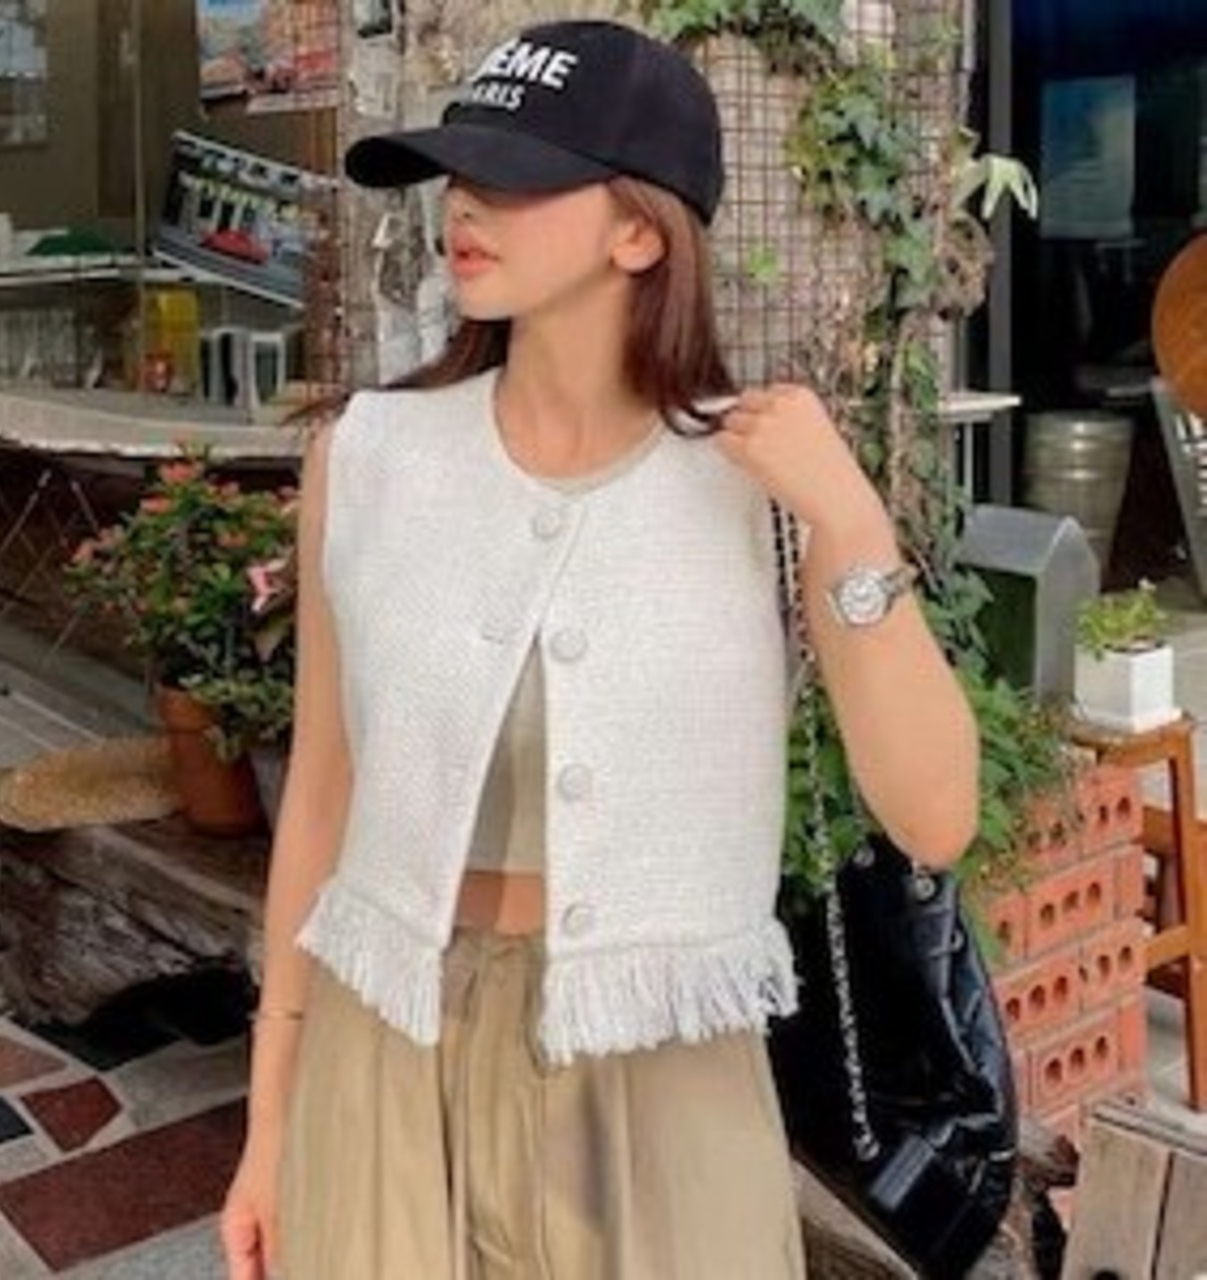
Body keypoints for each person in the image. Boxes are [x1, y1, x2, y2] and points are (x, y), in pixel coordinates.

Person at [220, 18, 979, 1280]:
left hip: (657, 1075)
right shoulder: (368, 458)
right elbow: (321, 794)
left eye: (515, 175)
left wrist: (850, 522)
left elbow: (934, 814)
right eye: (456, 171)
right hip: (381, 1039)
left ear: (640, 231)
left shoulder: (760, 481)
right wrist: (270, 1119)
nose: (464, 204)